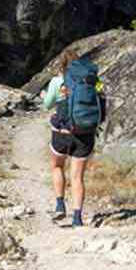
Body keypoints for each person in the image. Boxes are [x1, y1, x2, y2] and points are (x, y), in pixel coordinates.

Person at [41, 50, 106, 228]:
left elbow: (47, 104)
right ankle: (77, 217)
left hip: (61, 133)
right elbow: (101, 99)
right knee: (77, 177)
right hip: (85, 134)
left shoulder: (57, 81)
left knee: (57, 166)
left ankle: (60, 204)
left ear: (62, 64)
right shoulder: (94, 81)